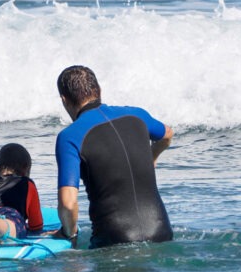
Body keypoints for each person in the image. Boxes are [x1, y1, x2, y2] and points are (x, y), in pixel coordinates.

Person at [54, 65, 173, 248]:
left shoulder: (69, 137)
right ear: (99, 90)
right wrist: (152, 157)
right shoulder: (138, 115)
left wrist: (69, 234)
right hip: (162, 233)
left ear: (64, 100)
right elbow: (167, 135)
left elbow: (68, 204)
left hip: (113, 242)